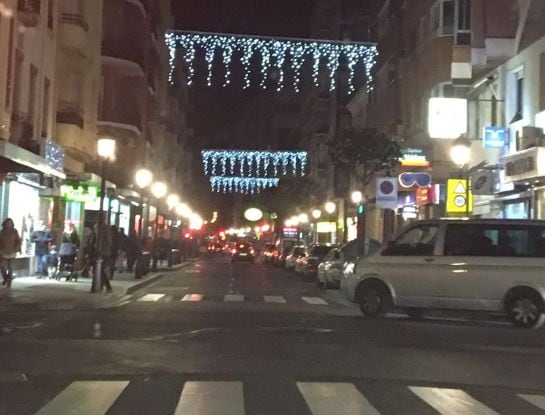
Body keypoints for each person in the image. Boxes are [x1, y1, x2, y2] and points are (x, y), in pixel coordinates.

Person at [0, 218, 21, 287]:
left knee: (10, 267)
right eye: (7, 223)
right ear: (5, 224)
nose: (8, 224)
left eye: (10, 223)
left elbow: (18, 240)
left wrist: (17, 248)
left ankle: (9, 278)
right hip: (3, 252)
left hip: (12, 251)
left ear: (12, 224)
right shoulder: (2, 232)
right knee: (3, 267)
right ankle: (6, 278)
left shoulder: (15, 231)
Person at [94, 221, 112, 292]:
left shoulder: (102, 238)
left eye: (96, 229)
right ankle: (102, 286)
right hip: (104, 254)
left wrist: (101, 253)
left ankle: (107, 286)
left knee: (100, 271)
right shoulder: (103, 236)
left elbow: (103, 247)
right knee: (100, 271)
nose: (95, 230)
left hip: (103, 255)